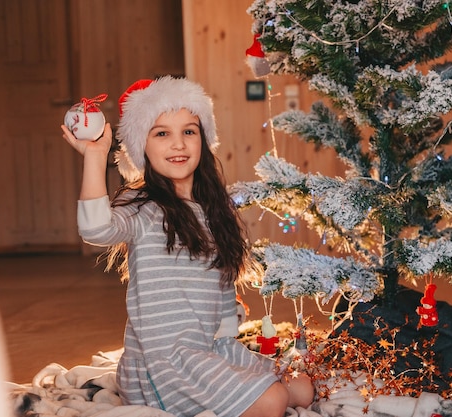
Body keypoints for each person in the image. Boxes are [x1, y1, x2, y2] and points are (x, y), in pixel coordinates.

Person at [61, 76, 314, 417]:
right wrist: (95, 155)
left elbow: (222, 283)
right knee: (273, 401)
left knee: (302, 387)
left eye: (189, 131)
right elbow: (95, 229)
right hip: (163, 361)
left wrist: (229, 334)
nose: (178, 144)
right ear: (142, 146)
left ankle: (255, 392)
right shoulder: (142, 205)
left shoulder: (214, 207)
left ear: (203, 138)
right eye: (162, 133)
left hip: (211, 348)